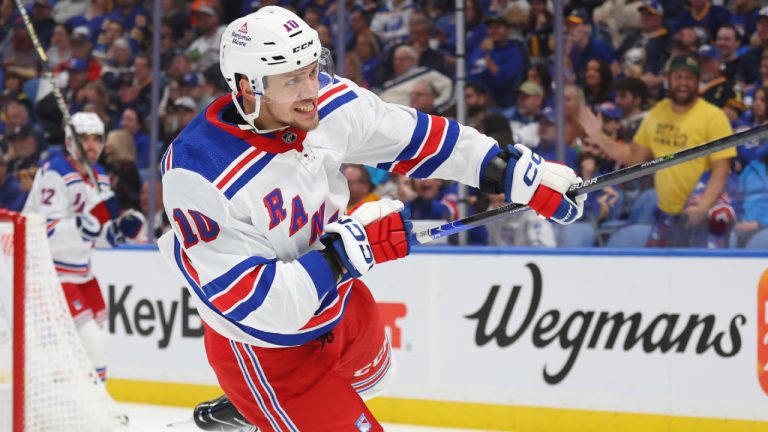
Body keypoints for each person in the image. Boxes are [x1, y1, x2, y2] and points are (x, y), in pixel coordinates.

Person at [156, 6, 586, 431]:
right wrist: (342, 254)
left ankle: (253, 411)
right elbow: (261, 305)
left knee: (377, 377)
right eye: (292, 79)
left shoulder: (322, 103)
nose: (311, 89)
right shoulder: (197, 172)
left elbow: (416, 138)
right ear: (249, 88)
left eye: (312, 69)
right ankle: (260, 403)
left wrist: (504, 170)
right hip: (267, 348)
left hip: (339, 301)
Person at [22, 113, 144, 381]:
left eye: (96, 138)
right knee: (91, 343)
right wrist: (82, 224)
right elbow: (45, 230)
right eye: (84, 138)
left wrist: (116, 233)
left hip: (81, 272)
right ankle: (92, 404)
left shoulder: (99, 177)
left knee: (100, 337)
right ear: (69, 140)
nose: (90, 145)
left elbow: (96, 234)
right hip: (50, 273)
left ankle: (84, 399)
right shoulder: (55, 172)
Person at [580, 54, 735, 247]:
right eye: (678, 77)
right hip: (666, 214)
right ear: (669, 80)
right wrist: (599, 137)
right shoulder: (658, 113)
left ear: (697, 82)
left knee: (704, 273)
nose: (683, 83)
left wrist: (704, 205)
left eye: (689, 78)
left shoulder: (714, 117)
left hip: (701, 212)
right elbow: (633, 158)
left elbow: (721, 169)